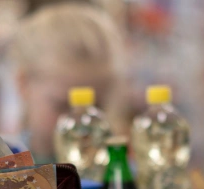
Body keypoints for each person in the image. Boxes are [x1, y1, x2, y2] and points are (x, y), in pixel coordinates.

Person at [10, 2, 125, 163]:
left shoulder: (123, 173)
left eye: (96, 107)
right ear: (23, 84)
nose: (80, 127)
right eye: (63, 106)